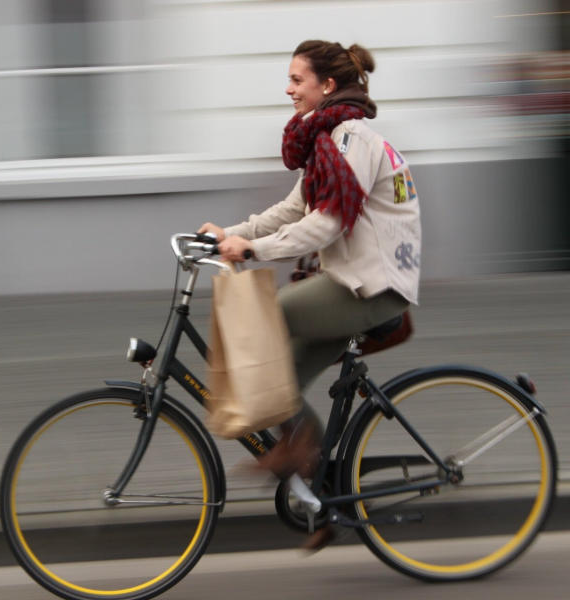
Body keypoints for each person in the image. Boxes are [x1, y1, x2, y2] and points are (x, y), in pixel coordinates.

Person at [198, 39, 421, 550]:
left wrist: (252, 249)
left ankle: (300, 452)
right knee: (281, 386)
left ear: (327, 85)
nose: (289, 89)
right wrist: (229, 233)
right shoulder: (327, 141)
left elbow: (327, 223)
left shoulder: (352, 141)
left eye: (297, 80)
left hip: (372, 289)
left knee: (264, 319)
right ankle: (326, 497)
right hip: (349, 283)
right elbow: (291, 210)